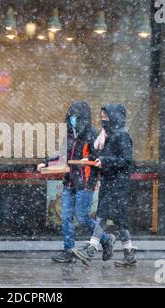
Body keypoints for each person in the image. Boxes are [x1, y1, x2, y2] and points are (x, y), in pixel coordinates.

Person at [37, 101, 116, 265]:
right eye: (71, 116)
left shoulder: (92, 135)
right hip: (70, 181)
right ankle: (68, 250)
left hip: (86, 182)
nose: (73, 120)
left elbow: (99, 159)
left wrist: (89, 160)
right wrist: (46, 162)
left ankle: (106, 239)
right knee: (66, 217)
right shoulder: (70, 136)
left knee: (82, 217)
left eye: (75, 117)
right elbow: (62, 155)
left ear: (83, 118)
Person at [77, 103, 137, 266]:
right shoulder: (106, 135)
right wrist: (90, 160)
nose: (103, 120)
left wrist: (104, 161)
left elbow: (126, 160)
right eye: (102, 117)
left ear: (115, 117)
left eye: (106, 117)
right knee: (119, 220)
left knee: (103, 216)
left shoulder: (122, 135)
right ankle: (129, 253)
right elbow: (101, 156)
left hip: (118, 184)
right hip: (109, 181)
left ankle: (91, 250)